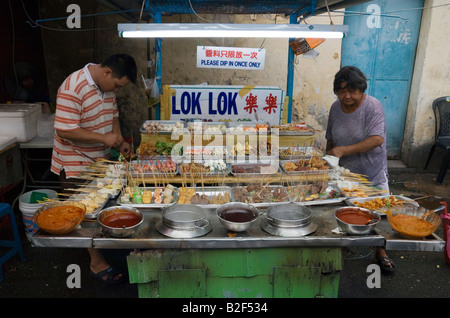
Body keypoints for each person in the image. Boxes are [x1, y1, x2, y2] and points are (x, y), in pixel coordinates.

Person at [51, 54, 137, 283]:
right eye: (118, 85)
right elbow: (65, 130)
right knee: (84, 214)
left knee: (102, 206)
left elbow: (114, 116)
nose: (117, 91)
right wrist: (104, 138)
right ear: (107, 73)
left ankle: (105, 248)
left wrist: (119, 140)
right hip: (74, 161)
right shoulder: (73, 86)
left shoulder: (107, 88)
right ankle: (96, 263)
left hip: (99, 158)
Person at [325, 65, 395, 273]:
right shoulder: (334, 108)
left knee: (379, 215)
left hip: (372, 171)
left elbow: (377, 138)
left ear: (361, 90)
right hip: (346, 176)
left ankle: (380, 252)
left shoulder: (372, 106)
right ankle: (340, 248)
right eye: (341, 91)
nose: (346, 96)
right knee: (346, 213)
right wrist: (328, 160)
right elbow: (331, 139)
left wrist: (343, 150)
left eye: (352, 91)